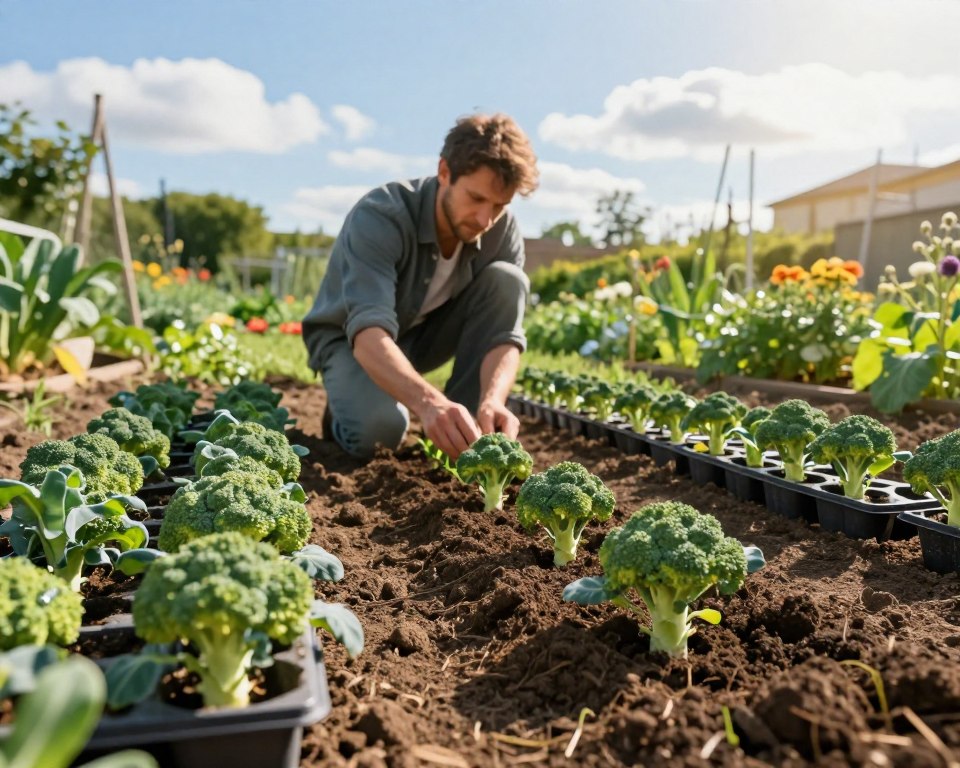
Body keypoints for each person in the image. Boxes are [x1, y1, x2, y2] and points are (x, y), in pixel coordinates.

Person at [302, 113, 539, 460]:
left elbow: (504, 334)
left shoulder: (500, 230)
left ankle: (466, 429)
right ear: (444, 172)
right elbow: (368, 332)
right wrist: (429, 404)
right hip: (351, 340)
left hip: (420, 336)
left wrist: (492, 400)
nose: (485, 220)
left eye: (499, 206)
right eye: (475, 198)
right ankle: (347, 408)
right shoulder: (381, 215)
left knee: (508, 279)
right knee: (380, 431)